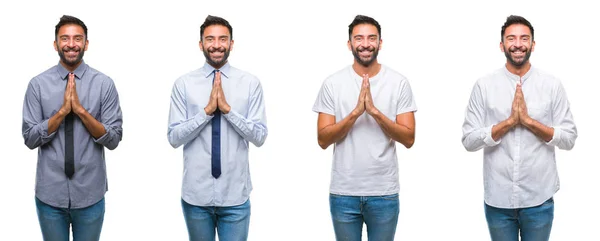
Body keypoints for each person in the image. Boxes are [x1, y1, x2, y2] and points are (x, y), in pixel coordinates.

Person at [461, 15, 577, 241]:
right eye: (511, 38)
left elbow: (570, 138)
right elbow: (468, 140)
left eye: (524, 38)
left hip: (539, 199)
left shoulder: (551, 85)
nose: (518, 44)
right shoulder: (484, 86)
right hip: (498, 200)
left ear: (533, 44)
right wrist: (508, 123)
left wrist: (530, 122)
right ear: (502, 45)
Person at [312, 15, 417, 241]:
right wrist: (355, 113)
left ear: (380, 43)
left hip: (384, 193)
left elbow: (409, 138)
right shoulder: (333, 83)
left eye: (372, 38)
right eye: (359, 38)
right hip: (344, 193)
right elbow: (322, 139)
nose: (365, 44)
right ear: (349, 44)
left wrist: (376, 113)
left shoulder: (398, 82)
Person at [22, 15, 123, 241]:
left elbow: (114, 139)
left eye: (77, 38)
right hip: (50, 196)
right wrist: (60, 114)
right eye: (64, 38)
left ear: (86, 44)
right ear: (55, 44)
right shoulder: (37, 85)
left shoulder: (104, 84)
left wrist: (81, 111)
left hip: (90, 195)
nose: (71, 44)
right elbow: (29, 138)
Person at [167, 15, 268, 241]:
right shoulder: (184, 84)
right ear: (201, 44)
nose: (216, 45)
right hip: (196, 196)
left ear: (231, 44)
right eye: (210, 39)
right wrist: (206, 113)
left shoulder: (250, 83)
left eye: (223, 39)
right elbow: (173, 137)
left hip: (235, 197)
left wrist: (228, 111)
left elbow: (260, 136)